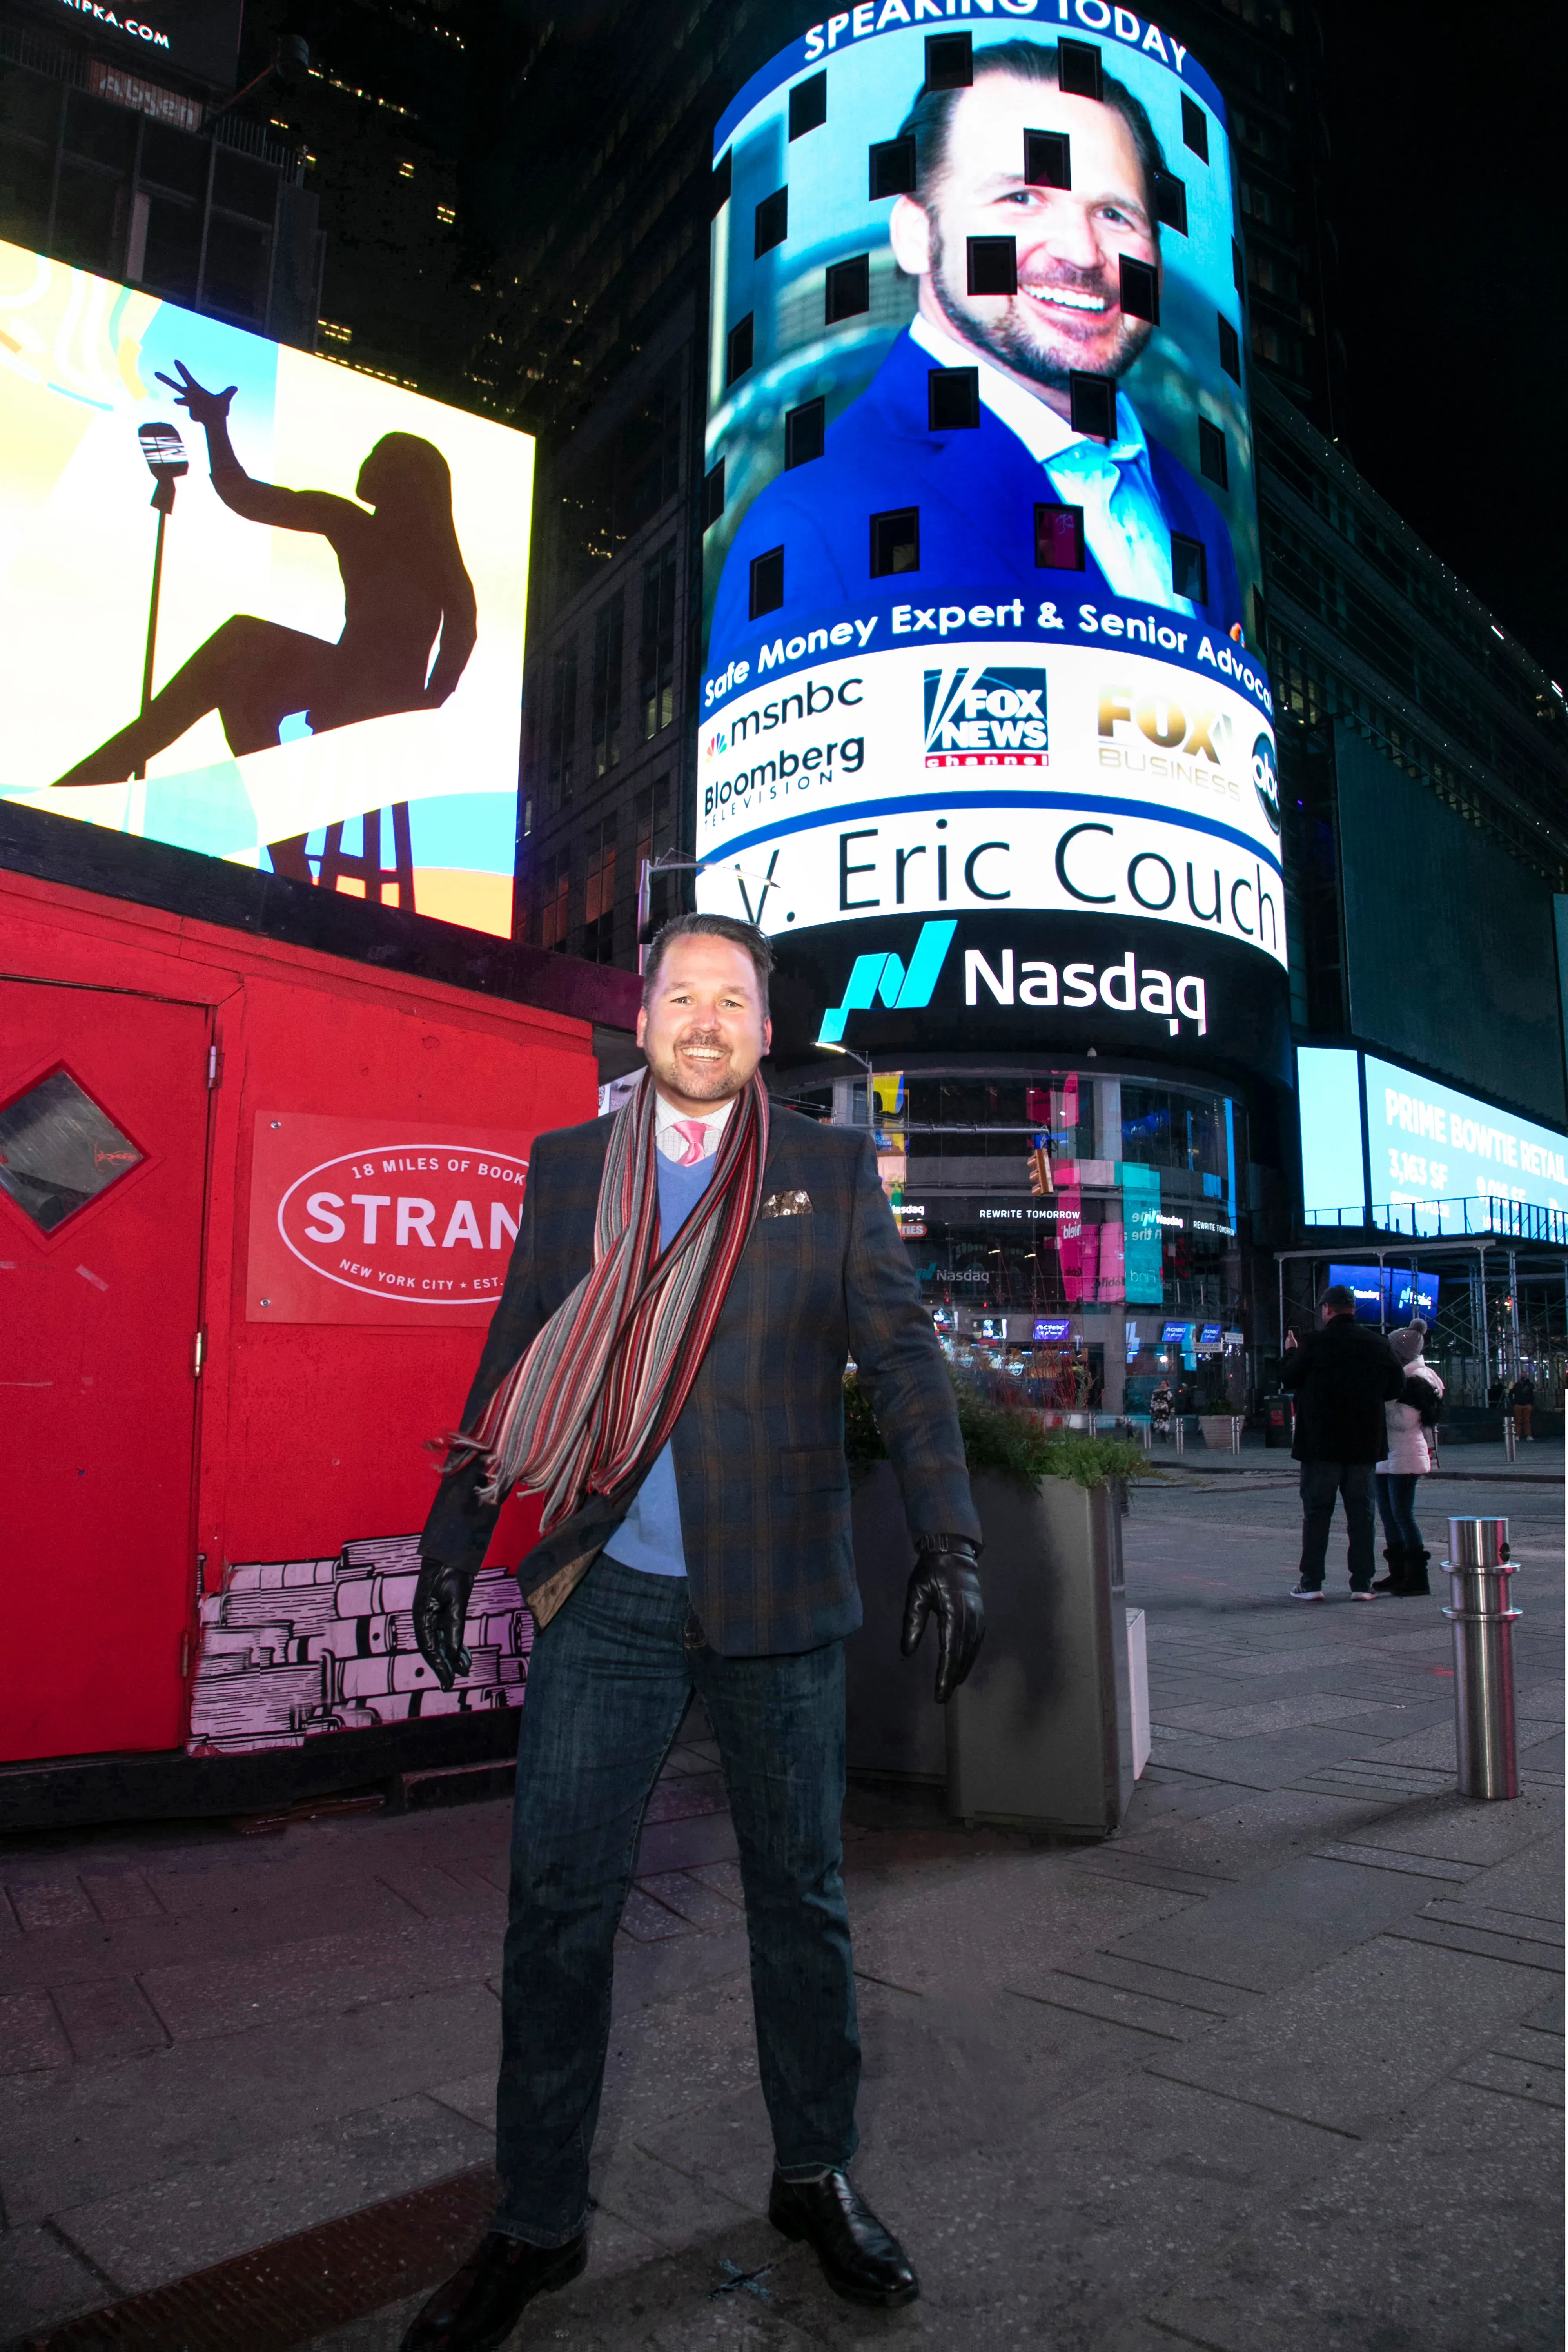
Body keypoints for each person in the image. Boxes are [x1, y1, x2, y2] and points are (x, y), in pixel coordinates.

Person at [401, 913, 984, 2350]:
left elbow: (904, 1362)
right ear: (642, 1015)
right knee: (555, 1911)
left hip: (776, 1592)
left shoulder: (828, 1171)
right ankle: (534, 2217)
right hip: (604, 1592)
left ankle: (812, 2173)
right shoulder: (566, 1170)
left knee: (800, 1904)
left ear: (765, 1031)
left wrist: (950, 1536)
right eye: (683, 995)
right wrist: (451, 1535)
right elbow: (512, 1354)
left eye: (734, 999)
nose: (707, 1019)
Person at [710, 39, 1241, 656]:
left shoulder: (1198, 519)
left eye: (1115, 214)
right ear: (917, 235)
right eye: (1021, 199)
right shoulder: (813, 521)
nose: (1081, 251)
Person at [54, 360, 477, 882]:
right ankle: (291, 869)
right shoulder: (349, 524)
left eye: (380, 459)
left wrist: (425, 705)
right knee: (241, 691)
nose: (366, 464)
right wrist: (214, 425)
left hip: (382, 700)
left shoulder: (432, 552)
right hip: (344, 681)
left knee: (242, 640)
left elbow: (464, 629)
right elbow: (246, 498)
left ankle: (108, 769)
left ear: (407, 482)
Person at [1280, 1284, 1405, 1601]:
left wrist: (1292, 1351)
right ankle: (1362, 1584)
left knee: (1318, 1513)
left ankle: (1312, 1584)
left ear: (1326, 1310)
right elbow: (1396, 1385)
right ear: (1353, 1309)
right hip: (1363, 1442)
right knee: (1361, 1514)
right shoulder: (1377, 1344)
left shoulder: (1314, 1344)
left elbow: (1289, 1378)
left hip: (1320, 1444)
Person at [1372, 1321, 1444, 1596]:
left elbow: (1404, 1420)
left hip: (1406, 1455)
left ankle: (1417, 1578)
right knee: (1389, 1516)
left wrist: (1380, 1408)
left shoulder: (1418, 1379)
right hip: (1388, 1454)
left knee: (1403, 1515)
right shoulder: (1398, 1375)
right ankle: (1398, 1573)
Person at [1508, 1370, 1536, 1440]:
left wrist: (1531, 1404)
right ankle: (1519, 1435)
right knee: (1519, 1421)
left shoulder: (1529, 1385)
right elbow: (1510, 1394)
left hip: (1526, 1405)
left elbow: (1533, 1395)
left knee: (1525, 1420)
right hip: (1520, 1405)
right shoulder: (1517, 1385)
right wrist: (1514, 1404)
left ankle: (1527, 1435)